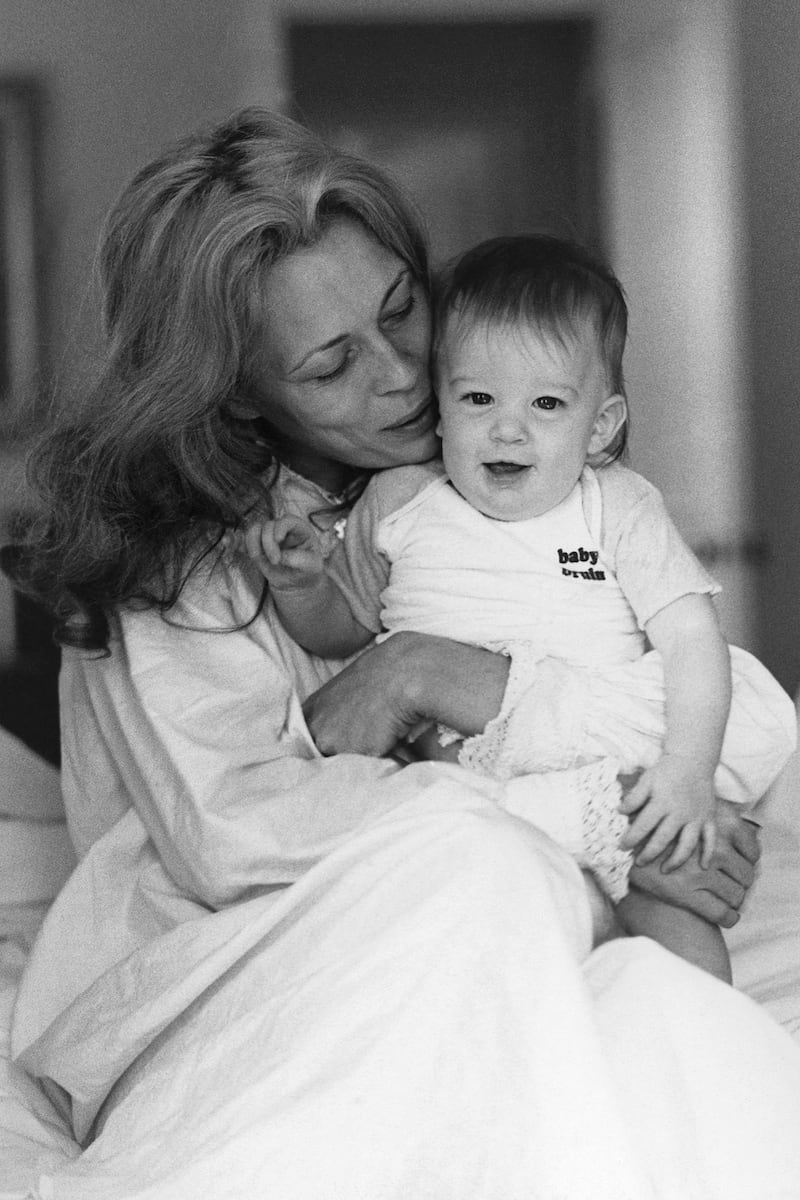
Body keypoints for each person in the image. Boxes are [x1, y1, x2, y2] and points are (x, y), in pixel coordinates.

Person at [5, 107, 800, 1200]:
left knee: (657, 1011)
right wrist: (597, 811)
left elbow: (749, 718)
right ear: (236, 389)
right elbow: (239, 833)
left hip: (505, 910)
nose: (399, 374)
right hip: (230, 969)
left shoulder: (502, 477)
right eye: (332, 364)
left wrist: (435, 671)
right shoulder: (178, 568)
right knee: (484, 869)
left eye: (400, 309)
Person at [241, 234, 796, 985]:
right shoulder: (403, 503)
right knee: (494, 961)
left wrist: (687, 773)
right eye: (477, 399)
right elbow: (346, 630)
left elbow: (694, 639)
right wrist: (303, 584)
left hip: (614, 774)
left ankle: (691, 1065)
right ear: (441, 407)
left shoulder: (616, 506)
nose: (508, 428)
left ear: (598, 427)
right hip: (486, 801)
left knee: (686, 956)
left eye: (546, 403)